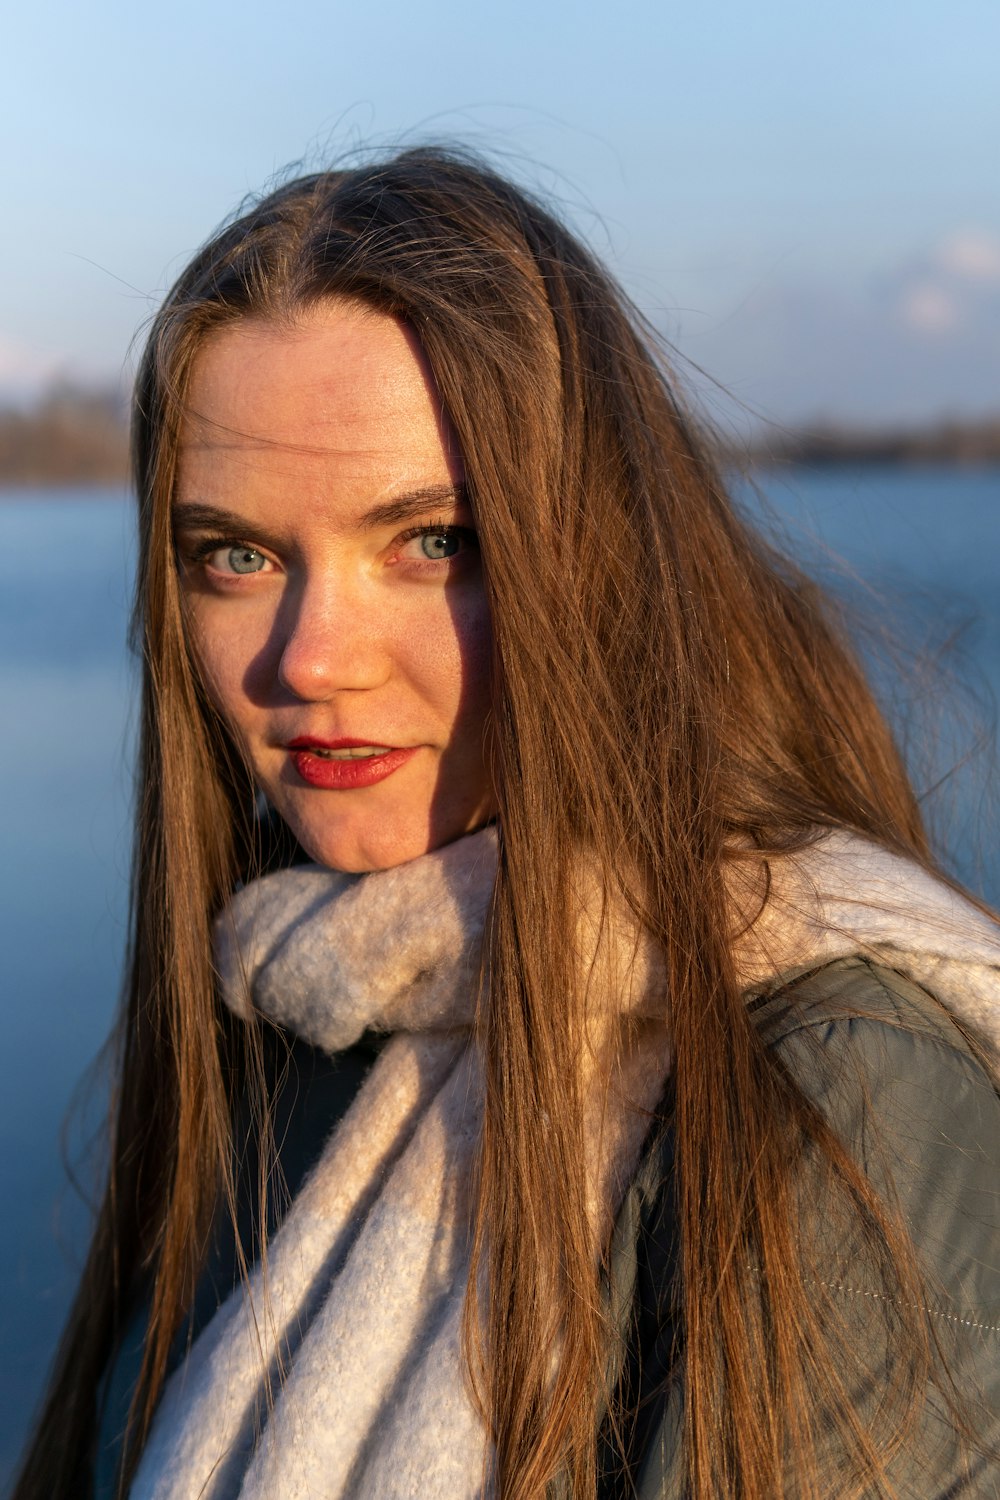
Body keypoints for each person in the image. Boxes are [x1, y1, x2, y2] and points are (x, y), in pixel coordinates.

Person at [12, 147, 1000, 1500]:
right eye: (233, 556)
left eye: (433, 543)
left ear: (595, 557)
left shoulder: (837, 1090)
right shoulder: (305, 1007)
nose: (309, 659)